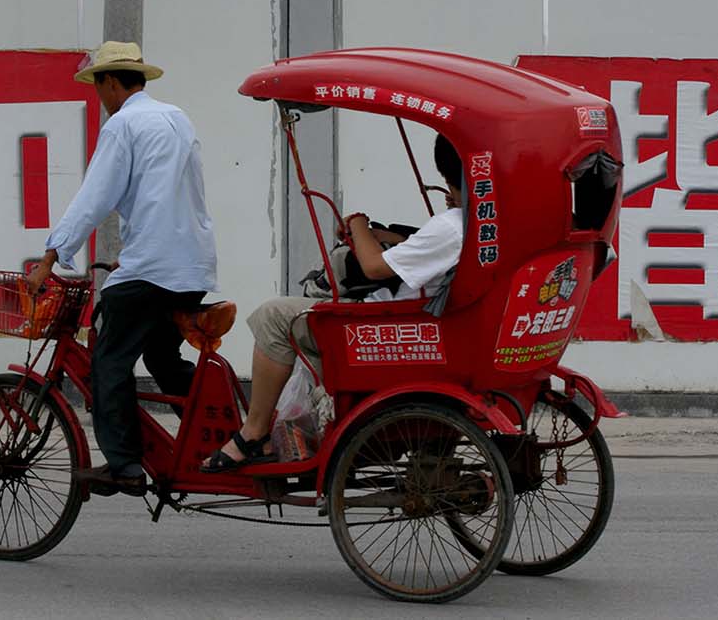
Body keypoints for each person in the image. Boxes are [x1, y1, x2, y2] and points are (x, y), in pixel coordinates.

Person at [203, 134, 464, 472]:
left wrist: (358, 224)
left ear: (448, 176)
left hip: (385, 325)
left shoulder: (451, 226)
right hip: (426, 321)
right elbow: (421, 250)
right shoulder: (485, 222)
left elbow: (373, 267)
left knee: (273, 315)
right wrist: (387, 237)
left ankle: (253, 432)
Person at [26, 41, 217, 496]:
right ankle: (224, 434)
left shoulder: (123, 124)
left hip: (152, 267)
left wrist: (51, 256)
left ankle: (124, 465)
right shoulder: (177, 118)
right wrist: (133, 251)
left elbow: (95, 197)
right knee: (162, 358)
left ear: (110, 82)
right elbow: (172, 197)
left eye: (98, 87)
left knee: (109, 360)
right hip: (190, 266)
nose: (100, 97)